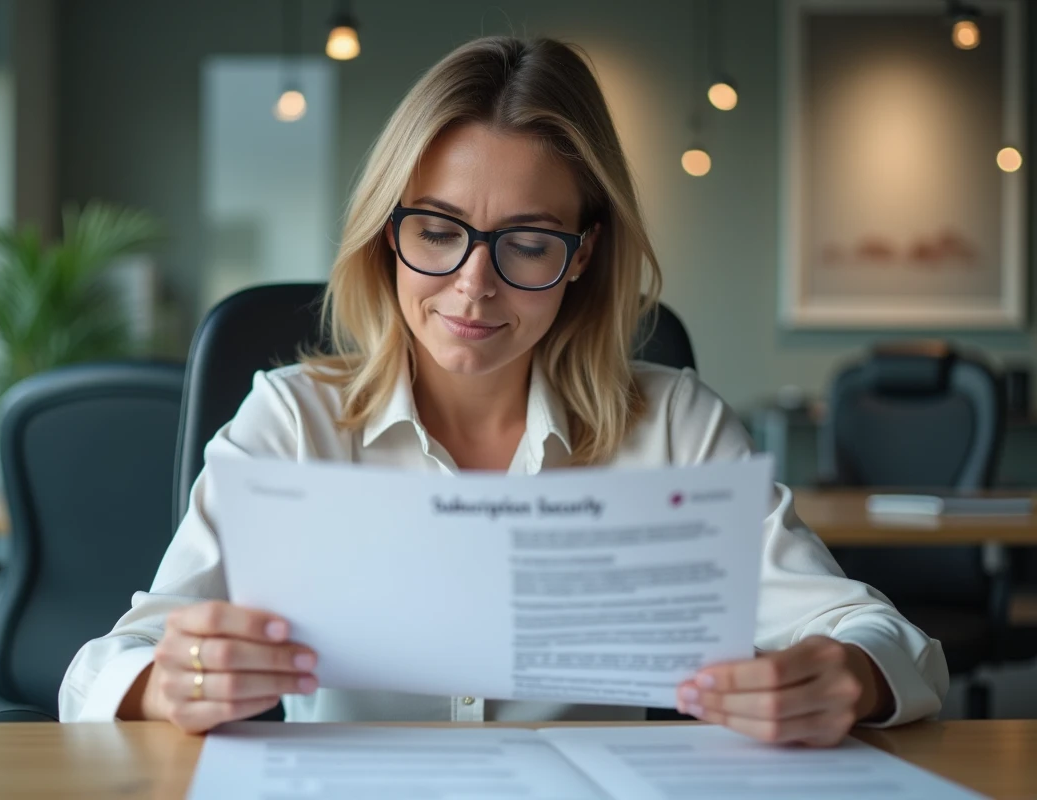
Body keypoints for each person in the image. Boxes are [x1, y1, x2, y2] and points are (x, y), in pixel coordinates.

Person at [59, 36, 947, 746]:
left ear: (584, 255)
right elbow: (106, 663)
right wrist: (165, 681)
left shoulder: (674, 426)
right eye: (439, 230)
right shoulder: (292, 422)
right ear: (386, 231)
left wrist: (848, 676)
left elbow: (879, 635)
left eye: (527, 243)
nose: (474, 287)